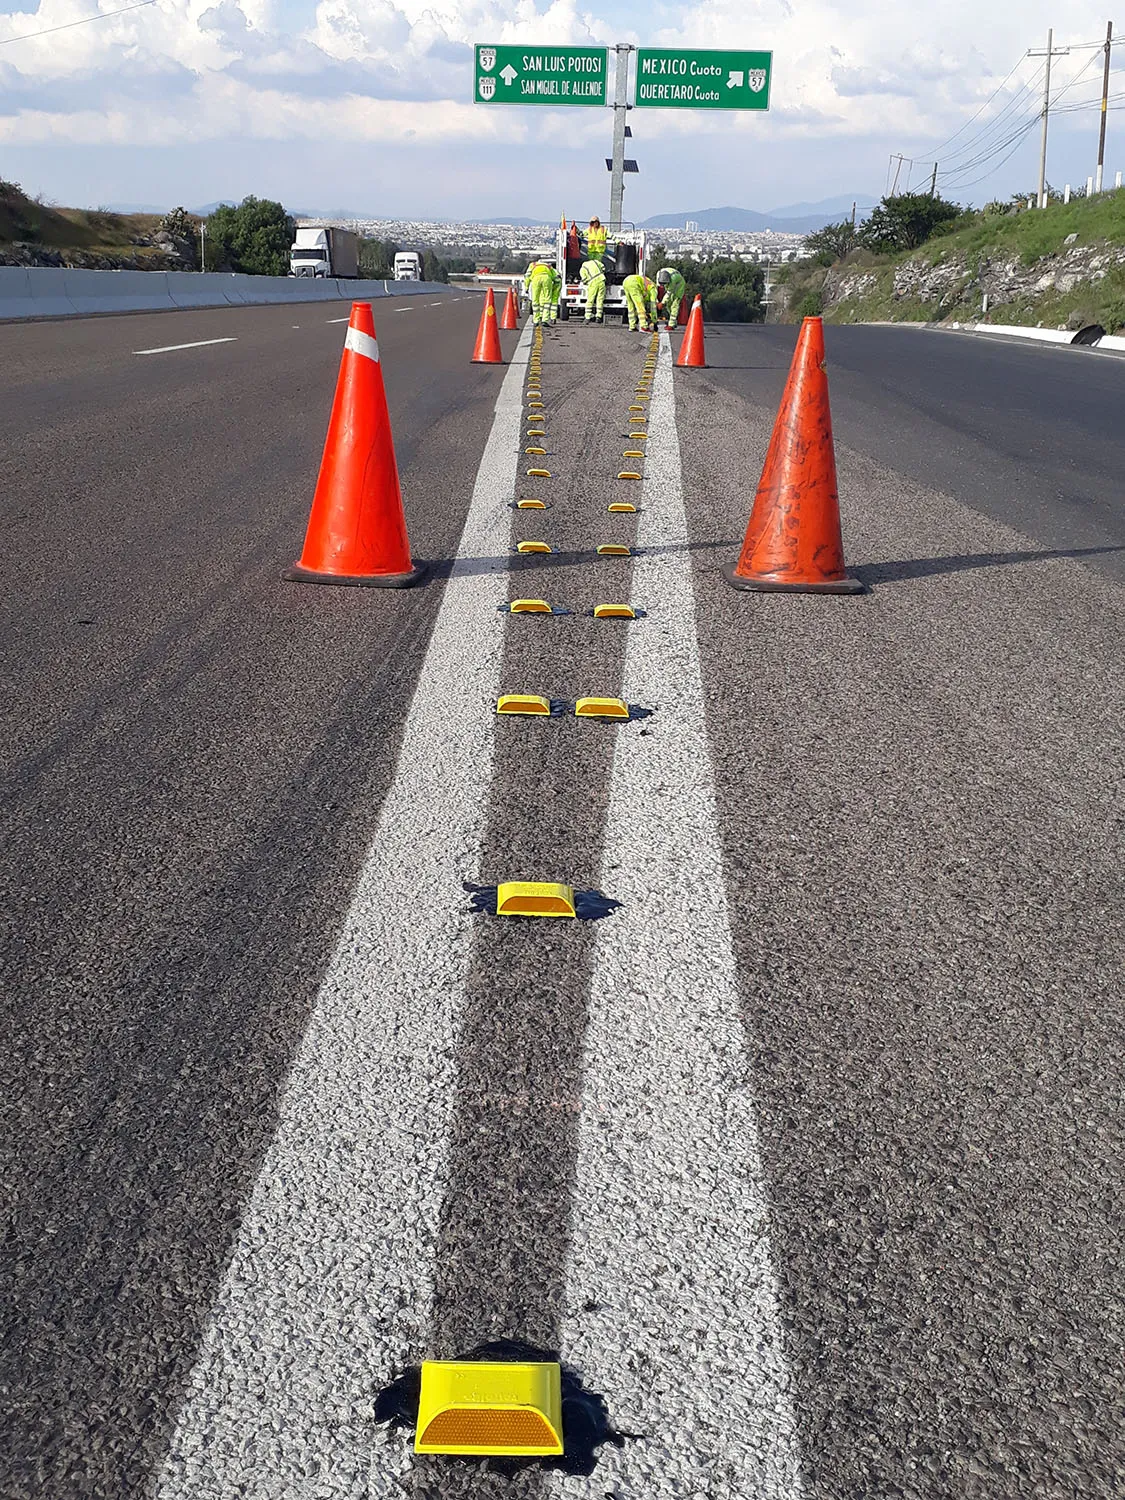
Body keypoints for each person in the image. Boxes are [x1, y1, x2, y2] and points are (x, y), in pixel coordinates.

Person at [656, 266, 687, 330]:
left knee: (674, 305)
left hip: (679, 287)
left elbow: (668, 293)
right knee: (668, 304)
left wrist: (662, 303)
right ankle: (673, 320)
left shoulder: (673, 280)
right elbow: (658, 288)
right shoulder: (659, 274)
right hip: (671, 285)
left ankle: (671, 325)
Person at [526, 258, 554, 326]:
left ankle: (536, 320)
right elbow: (555, 276)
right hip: (547, 279)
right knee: (547, 300)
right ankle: (545, 319)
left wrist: (526, 286)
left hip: (536, 279)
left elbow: (527, 276)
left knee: (535, 300)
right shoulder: (548, 266)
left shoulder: (533, 265)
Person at [579, 256, 606, 323]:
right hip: (601, 280)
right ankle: (598, 317)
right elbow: (603, 268)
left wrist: (586, 282)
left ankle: (587, 317)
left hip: (592, 283)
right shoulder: (595, 261)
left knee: (590, 300)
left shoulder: (583, 268)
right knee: (600, 299)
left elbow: (584, 279)